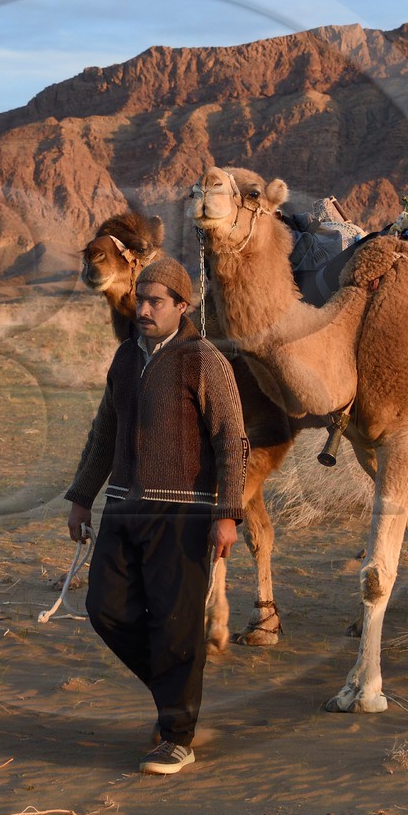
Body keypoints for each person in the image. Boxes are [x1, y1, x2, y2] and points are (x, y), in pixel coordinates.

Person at [65, 256, 247, 775]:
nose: (142, 309)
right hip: (123, 506)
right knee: (105, 610)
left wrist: (229, 512)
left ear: (181, 306)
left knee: (176, 626)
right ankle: (175, 695)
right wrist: (82, 497)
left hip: (184, 514)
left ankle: (177, 738)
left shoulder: (204, 360)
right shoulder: (125, 358)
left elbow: (232, 442)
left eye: (155, 302)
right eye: (139, 299)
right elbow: (105, 432)